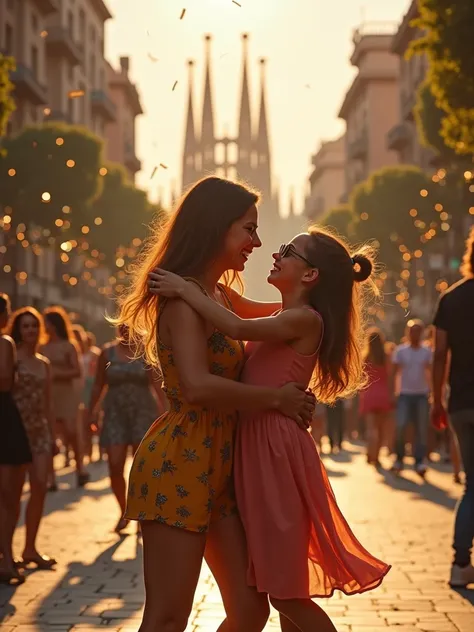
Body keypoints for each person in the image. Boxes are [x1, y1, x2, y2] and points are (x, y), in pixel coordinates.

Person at [150, 228, 391, 632]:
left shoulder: (302, 319)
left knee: (284, 591)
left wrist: (183, 289)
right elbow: (231, 305)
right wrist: (196, 281)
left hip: (274, 451)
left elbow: (234, 325)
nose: (275, 253)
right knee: (279, 587)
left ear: (310, 275)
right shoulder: (284, 315)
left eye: (288, 251)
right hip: (261, 447)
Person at [114, 176, 315, 632]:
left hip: (223, 465)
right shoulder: (184, 301)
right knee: (167, 617)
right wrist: (276, 399)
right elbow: (198, 386)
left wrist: (322, 292)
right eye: (248, 229)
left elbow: (283, 319)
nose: (257, 242)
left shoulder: (219, 296)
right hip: (180, 460)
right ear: (214, 227)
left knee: (249, 611)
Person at [86, 325, 166, 533]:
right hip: (115, 414)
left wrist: (166, 414)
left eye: (130, 326)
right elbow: (98, 385)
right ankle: (124, 511)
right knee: (114, 464)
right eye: (122, 326)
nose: (126, 330)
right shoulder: (107, 353)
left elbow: (157, 385)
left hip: (143, 413)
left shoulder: (146, 351)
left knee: (141, 467)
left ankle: (141, 514)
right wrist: (91, 412)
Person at [432, 226, 474, 588]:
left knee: (472, 485)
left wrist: (436, 400)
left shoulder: (451, 299)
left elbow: (439, 354)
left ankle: (461, 563)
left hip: (460, 402)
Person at [9, 308, 57, 569]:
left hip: (38, 430)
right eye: (25, 326)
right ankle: (8, 550)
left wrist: (52, 436)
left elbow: (49, 403)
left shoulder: (43, 363)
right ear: (18, 330)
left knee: (39, 485)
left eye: (34, 326)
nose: (30, 331)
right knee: (13, 493)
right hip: (15, 430)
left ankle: (30, 548)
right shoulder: (11, 359)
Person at [0, 294, 32, 585]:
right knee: (9, 496)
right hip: (5, 418)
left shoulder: (6, 344)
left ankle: (7, 558)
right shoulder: (6, 345)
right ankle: (6, 558)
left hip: (6, 420)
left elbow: (5, 381)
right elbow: (5, 380)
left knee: (9, 495)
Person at [40, 307, 88, 487]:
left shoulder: (69, 345)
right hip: (49, 392)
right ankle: (51, 477)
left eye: (46, 323)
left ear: (54, 324)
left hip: (66, 393)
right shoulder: (42, 347)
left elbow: (77, 370)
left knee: (71, 431)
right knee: (49, 434)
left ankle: (80, 467)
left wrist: (57, 373)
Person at [391, 319, 432, 476]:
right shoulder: (401, 351)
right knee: (401, 426)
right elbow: (394, 373)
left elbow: (431, 372)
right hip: (404, 395)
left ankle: (420, 461)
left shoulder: (427, 352)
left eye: (417, 331)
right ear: (407, 333)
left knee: (421, 428)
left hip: (422, 394)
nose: (414, 334)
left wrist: (434, 393)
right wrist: (392, 393)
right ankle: (399, 459)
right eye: (412, 331)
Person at [359, 327, 392, 467]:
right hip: (383, 394)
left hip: (369, 394)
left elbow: (361, 378)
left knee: (371, 428)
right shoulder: (386, 357)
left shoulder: (366, 357)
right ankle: (376, 457)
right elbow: (390, 377)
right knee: (380, 428)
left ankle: (369, 453)